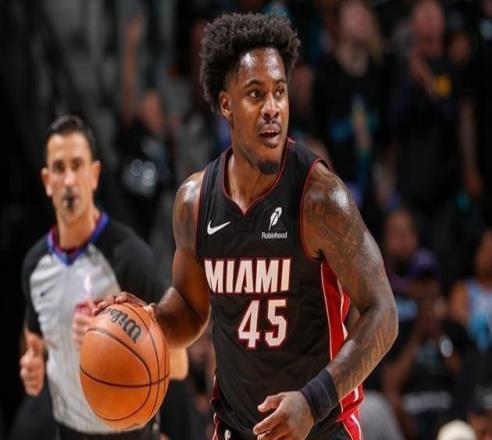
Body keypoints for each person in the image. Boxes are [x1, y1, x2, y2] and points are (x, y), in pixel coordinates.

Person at [97, 13, 398, 440]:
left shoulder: (319, 199)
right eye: (256, 94)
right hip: (237, 427)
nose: (272, 107)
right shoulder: (195, 202)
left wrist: (313, 401)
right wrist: (151, 321)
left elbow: (383, 313)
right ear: (226, 105)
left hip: (319, 426)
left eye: (280, 91)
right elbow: (191, 308)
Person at [19, 115, 187, 440]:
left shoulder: (130, 256)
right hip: (67, 431)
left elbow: (178, 365)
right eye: (59, 168)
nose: (69, 179)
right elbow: (33, 338)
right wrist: (32, 361)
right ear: (47, 181)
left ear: (94, 175)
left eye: (77, 165)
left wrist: (110, 333)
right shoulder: (34, 265)